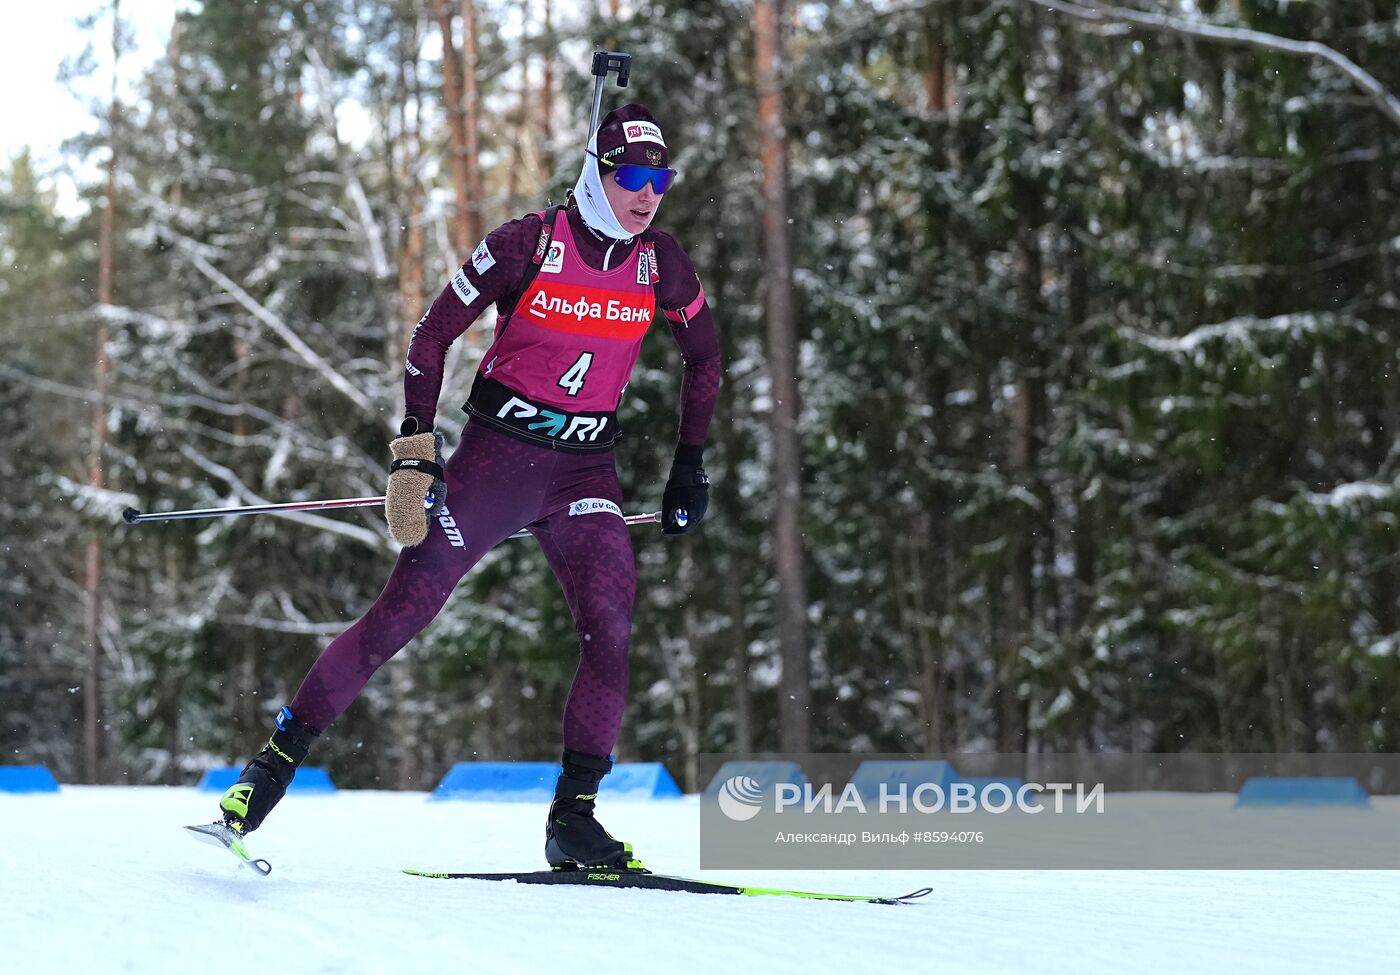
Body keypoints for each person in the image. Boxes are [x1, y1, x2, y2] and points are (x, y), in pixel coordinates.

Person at [214, 104, 721, 870]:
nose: (648, 194)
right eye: (632, 178)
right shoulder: (529, 242)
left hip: (585, 470)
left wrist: (690, 463)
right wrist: (416, 450)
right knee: (398, 617)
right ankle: (266, 774)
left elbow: (705, 359)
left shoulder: (662, 262)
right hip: (497, 463)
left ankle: (573, 821)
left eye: (661, 179)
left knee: (611, 624)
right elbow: (431, 334)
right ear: (598, 174)